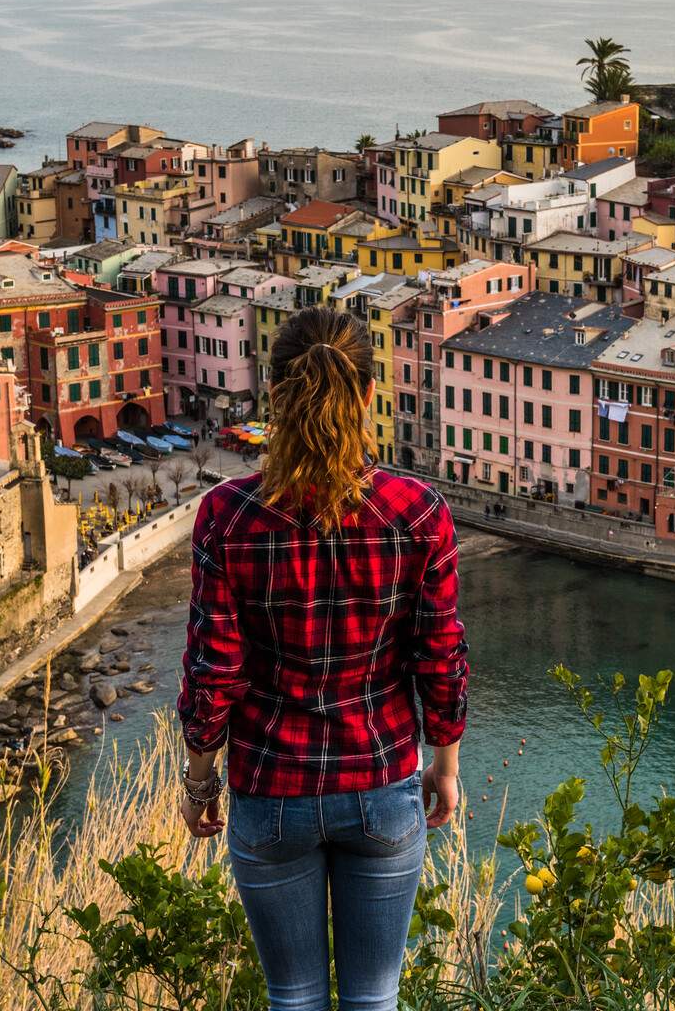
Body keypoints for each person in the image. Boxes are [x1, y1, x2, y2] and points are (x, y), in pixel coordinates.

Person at [178, 306, 467, 1011]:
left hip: (270, 787)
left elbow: (214, 667)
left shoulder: (227, 516)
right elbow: (442, 654)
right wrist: (446, 764)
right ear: (370, 397)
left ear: (274, 397)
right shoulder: (418, 512)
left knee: (296, 997)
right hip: (380, 780)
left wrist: (199, 778)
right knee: (374, 998)